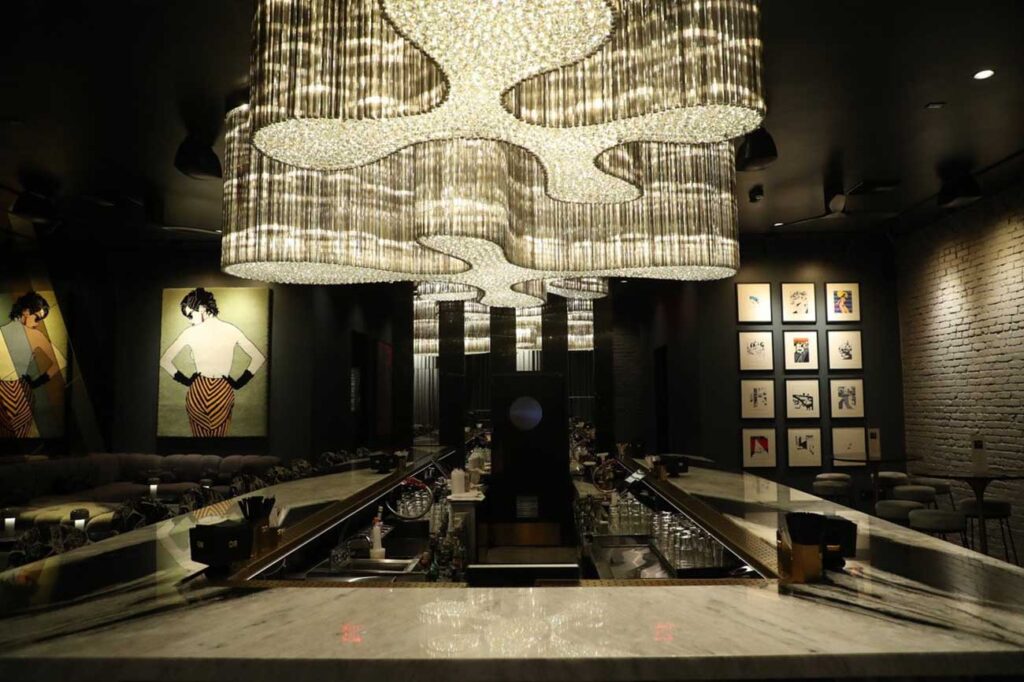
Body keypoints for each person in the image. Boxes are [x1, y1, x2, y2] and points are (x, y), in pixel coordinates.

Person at [159, 288, 265, 437]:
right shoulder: (231, 330)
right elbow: (259, 358)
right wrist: (239, 383)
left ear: (202, 308)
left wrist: (187, 381)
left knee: (199, 441)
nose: (190, 321)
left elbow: (165, 361)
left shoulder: (190, 333)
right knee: (219, 441)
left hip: (199, 390)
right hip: (222, 391)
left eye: (190, 315)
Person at [0, 291, 66, 438]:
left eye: (40, 320)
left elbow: (60, 362)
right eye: (37, 318)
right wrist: (36, 383)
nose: (37, 323)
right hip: (17, 394)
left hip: (17, 394)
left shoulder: (7, 331)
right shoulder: (34, 335)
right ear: (26, 311)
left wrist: (35, 383)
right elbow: (60, 362)